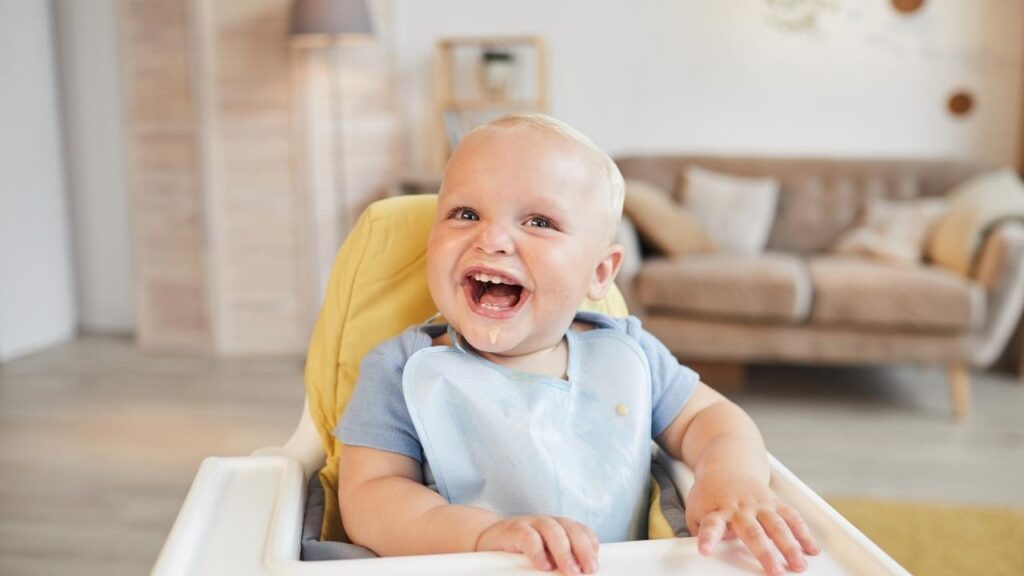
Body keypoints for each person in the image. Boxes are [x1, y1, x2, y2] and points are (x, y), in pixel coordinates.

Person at [336, 113, 820, 576]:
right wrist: (483, 536)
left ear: (599, 273)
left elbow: (709, 420)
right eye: (465, 213)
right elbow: (371, 497)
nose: (493, 238)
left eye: (539, 222)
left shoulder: (627, 354)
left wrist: (731, 476)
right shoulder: (402, 368)